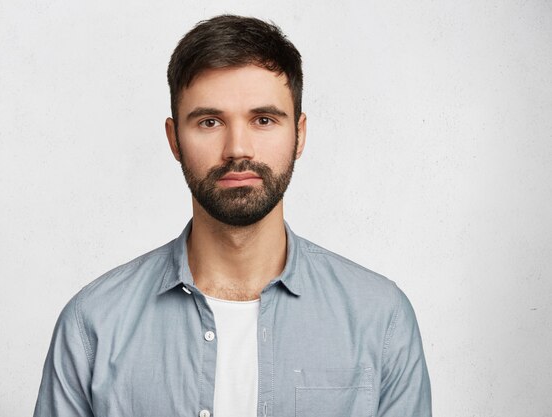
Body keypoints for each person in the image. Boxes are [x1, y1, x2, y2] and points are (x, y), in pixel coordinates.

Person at [33, 14, 431, 417]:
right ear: (174, 140)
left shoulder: (381, 319)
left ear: (300, 134)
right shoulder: (93, 325)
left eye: (263, 120)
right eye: (210, 121)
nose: (238, 149)